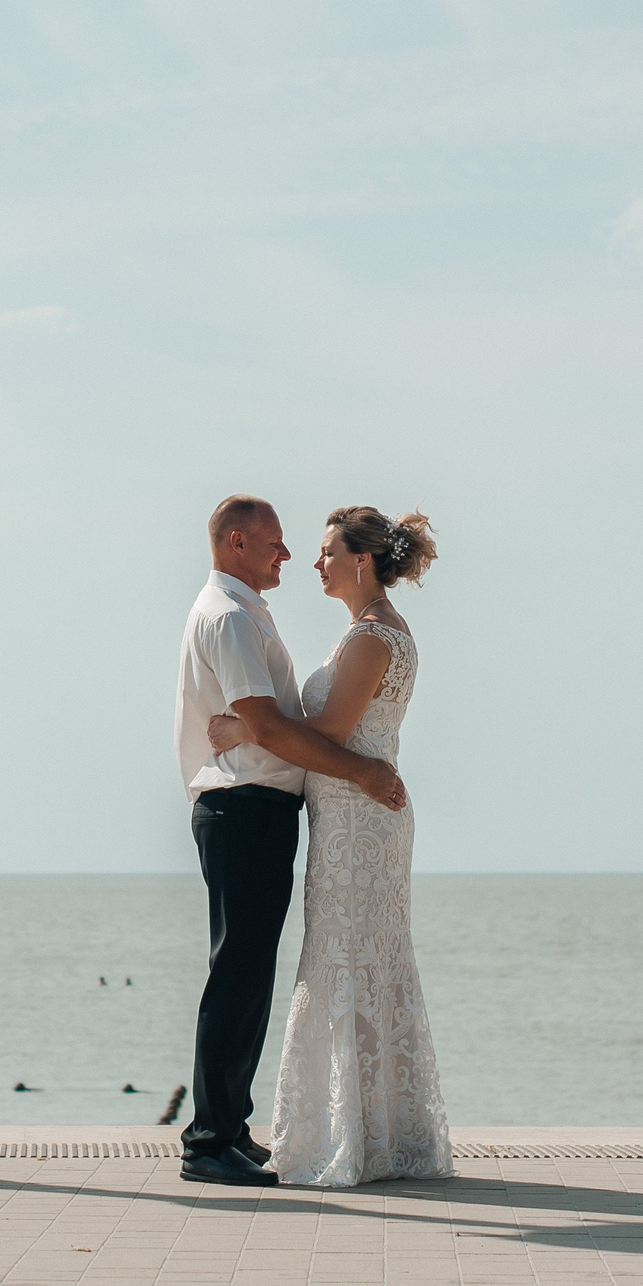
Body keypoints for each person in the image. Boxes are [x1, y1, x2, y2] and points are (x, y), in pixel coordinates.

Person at [207, 506, 452, 1186]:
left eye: (326, 552)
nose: (315, 563)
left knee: (345, 959)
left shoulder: (371, 636)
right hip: (352, 817)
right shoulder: (370, 630)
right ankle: (372, 1130)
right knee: (359, 960)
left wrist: (245, 729)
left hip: (357, 821)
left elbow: (332, 732)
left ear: (361, 559)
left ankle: (349, 1136)